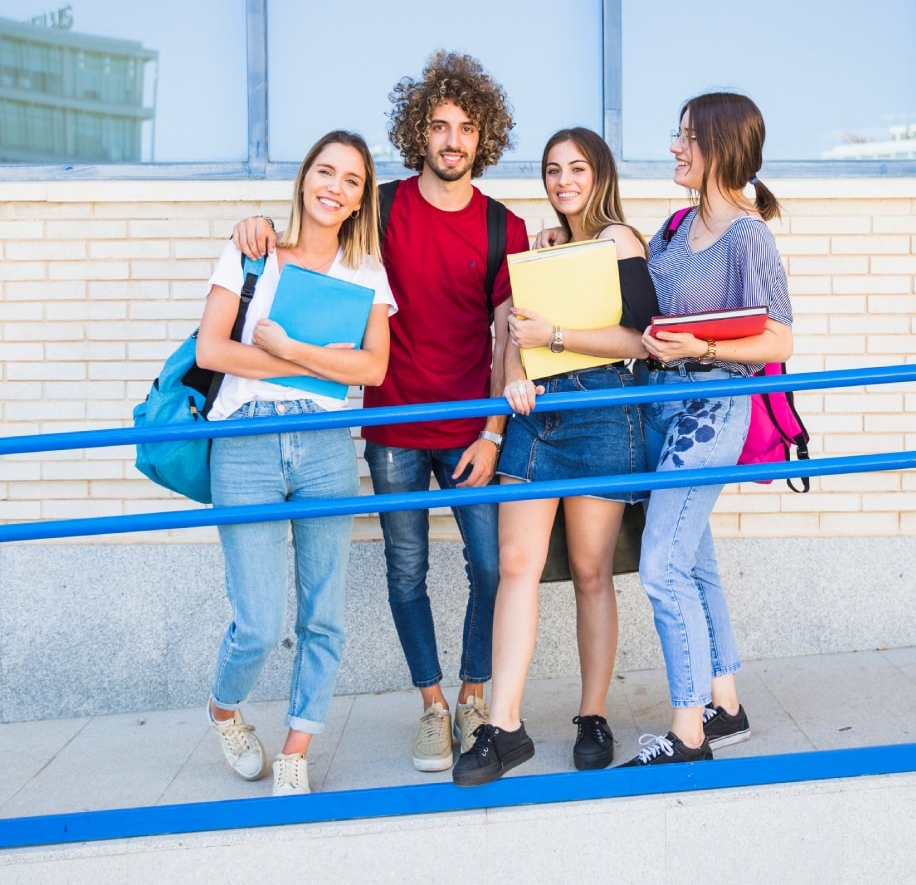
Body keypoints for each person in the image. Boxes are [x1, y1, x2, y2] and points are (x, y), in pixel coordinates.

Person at [231, 51, 529, 773]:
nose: (451, 140)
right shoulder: (384, 206)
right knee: (406, 573)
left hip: (470, 430)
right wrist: (261, 226)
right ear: (418, 133)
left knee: (490, 570)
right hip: (392, 426)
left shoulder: (504, 228)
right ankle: (431, 707)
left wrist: (494, 430)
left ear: (483, 137)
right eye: (438, 125)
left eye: (465, 128)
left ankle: (472, 695)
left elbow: (511, 335)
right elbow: (319, 229)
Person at [452, 127, 658, 786]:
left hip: (601, 412)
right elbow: (515, 332)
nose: (563, 180)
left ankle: (592, 715)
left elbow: (644, 339)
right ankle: (504, 725)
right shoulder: (541, 250)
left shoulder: (618, 240)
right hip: (535, 416)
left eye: (575, 167)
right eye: (551, 169)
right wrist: (514, 371)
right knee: (516, 563)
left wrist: (558, 336)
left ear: (598, 173)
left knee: (593, 571)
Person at [199, 130, 395, 796]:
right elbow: (212, 352)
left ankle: (296, 748)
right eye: (326, 171)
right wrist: (313, 358)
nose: (334, 188)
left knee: (324, 613)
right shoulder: (253, 250)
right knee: (256, 622)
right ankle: (224, 709)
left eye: (351, 181)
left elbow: (371, 368)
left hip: (325, 444)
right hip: (246, 442)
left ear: (360, 199)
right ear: (304, 177)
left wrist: (289, 349)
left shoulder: (365, 272)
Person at [617, 91, 793, 767]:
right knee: (692, 560)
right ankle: (725, 705)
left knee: (661, 568)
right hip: (662, 407)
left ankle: (688, 736)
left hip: (711, 407)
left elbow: (780, 339)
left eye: (687, 136)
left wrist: (702, 351)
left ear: (720, 147)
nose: (674, 147)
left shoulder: (748, 238)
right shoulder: (672, 227)